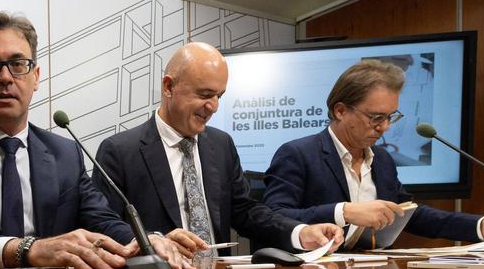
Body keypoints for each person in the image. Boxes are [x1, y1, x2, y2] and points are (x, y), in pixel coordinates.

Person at [0, 11, 187, 269]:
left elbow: (102, 221)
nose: (5, 78)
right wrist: (26, 250)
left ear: (36, 77)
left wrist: (146, 240)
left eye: (18, 64)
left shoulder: (64, 153)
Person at [94, 42, 343, 257]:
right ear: (169, 87)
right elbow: (103, 224)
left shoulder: (221, 144)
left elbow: (245, 212)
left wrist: (299, 232)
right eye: (205, 94)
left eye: (219, 96)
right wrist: (154, 240)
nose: (213, 107)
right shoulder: (119, 151)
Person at [264, 59, 484, 248]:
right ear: (341, 110)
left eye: (391, 116)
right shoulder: (298, 154)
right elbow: (274, 218)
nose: (385, 127)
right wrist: (343, 212)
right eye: (376, 117)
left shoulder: (382, 160)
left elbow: (409, 214)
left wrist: (482, 225)